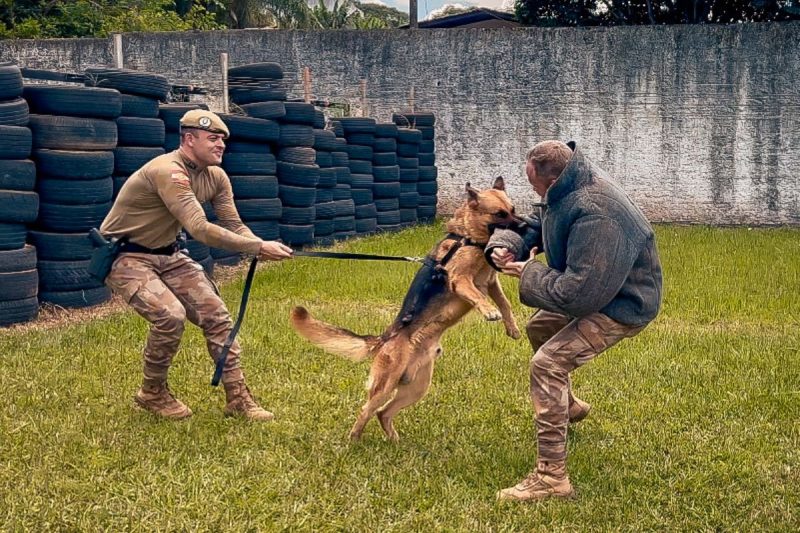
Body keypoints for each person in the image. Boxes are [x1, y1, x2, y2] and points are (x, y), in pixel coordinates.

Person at [487, 140, 663, 501]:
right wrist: (505, 244)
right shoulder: (567, 184)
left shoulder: (597, 212)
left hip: (622, 304)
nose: (533, 190)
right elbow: (537, 219)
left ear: (550, 179)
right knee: (539, 327)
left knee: (548, 364)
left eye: (533, 183)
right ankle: (566, 406)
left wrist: (528, 274)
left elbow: (579, 295)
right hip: (598, 288)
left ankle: (552, 479)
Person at [100, 110, 293, 421]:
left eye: (222, 140)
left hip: (169, 254)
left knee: (217, 316)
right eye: (212, 139)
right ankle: (152, 392)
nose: (221, 146)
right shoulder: (169, 171)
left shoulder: (215, 176)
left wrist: (259, 245)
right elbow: (199, 228)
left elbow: (233, 224)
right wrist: (257, 246)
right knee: (170, 315)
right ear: (189, 140)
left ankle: (238, 398)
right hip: (127, 257)